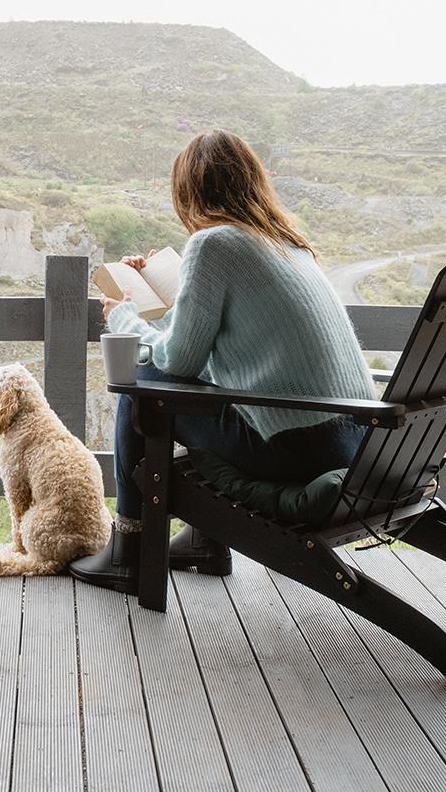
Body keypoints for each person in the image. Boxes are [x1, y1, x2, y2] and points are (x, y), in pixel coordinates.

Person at [69, 130, 376, 593]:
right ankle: (204, 541)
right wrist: (161, 294)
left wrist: (125, 313)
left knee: (144, 385)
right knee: (189, 389)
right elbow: (227, 352)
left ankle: (129, 548)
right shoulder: (288, 245)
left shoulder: (214, 244)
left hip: (296, 450)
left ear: (188, 191)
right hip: (354, 440)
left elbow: (178, 360)